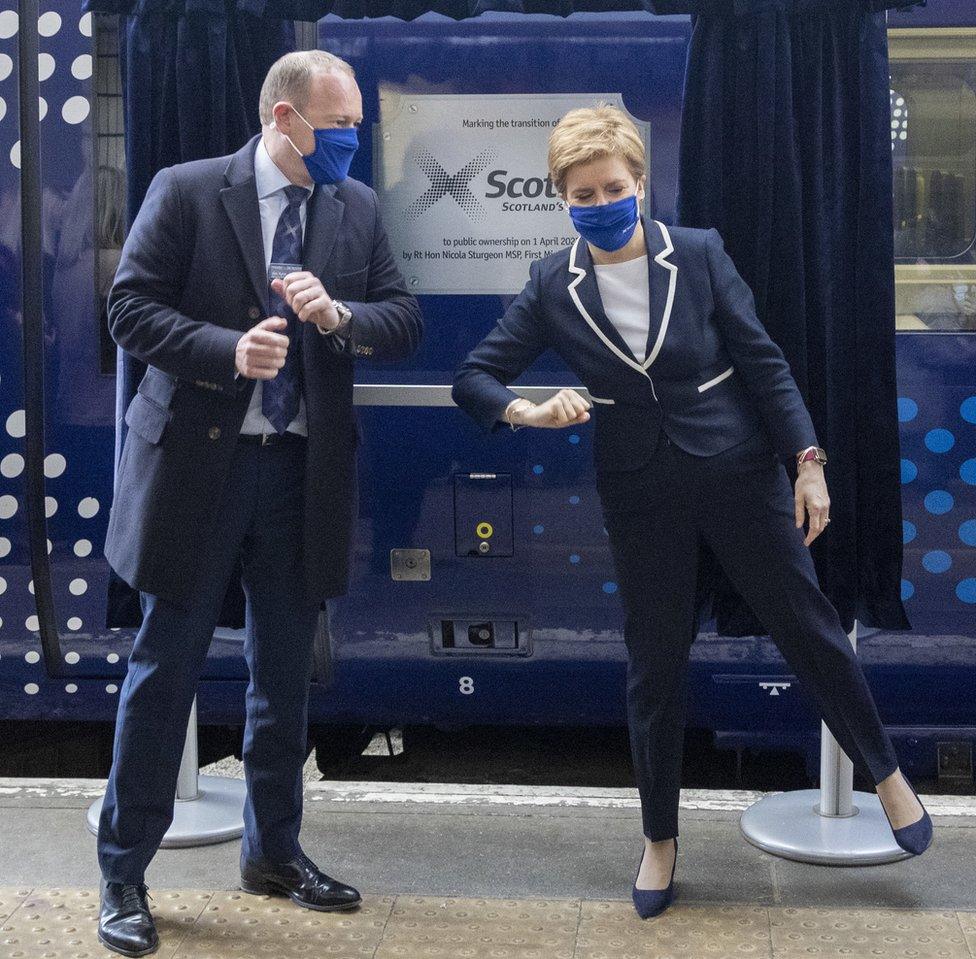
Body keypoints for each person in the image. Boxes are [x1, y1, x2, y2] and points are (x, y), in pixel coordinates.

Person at [452, 105, 931, 921]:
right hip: (639, 490)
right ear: (560, 198)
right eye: (581, 192)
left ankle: (886, 776)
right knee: (654, 664)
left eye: (613, 186)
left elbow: (765, 363)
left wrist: (806, 464)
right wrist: (525, 412)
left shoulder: (699, 254)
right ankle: (660, 838)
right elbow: (476, 376)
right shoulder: (550, 283)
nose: (599, 200)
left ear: (640, 185)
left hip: (738, 469)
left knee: (808, 625)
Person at [97, 50, 422, 957]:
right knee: (166, 672)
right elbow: (128, 307)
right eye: (339, 122)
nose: (352, 139)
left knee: (285, 674)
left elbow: (404, 316)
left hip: (299, 475)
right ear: (285, 118)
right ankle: (124, 871)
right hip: (197, 474)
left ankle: (273, 852)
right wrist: (223, 350)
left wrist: (339, 319)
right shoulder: (190, 189)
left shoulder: (353, 208)